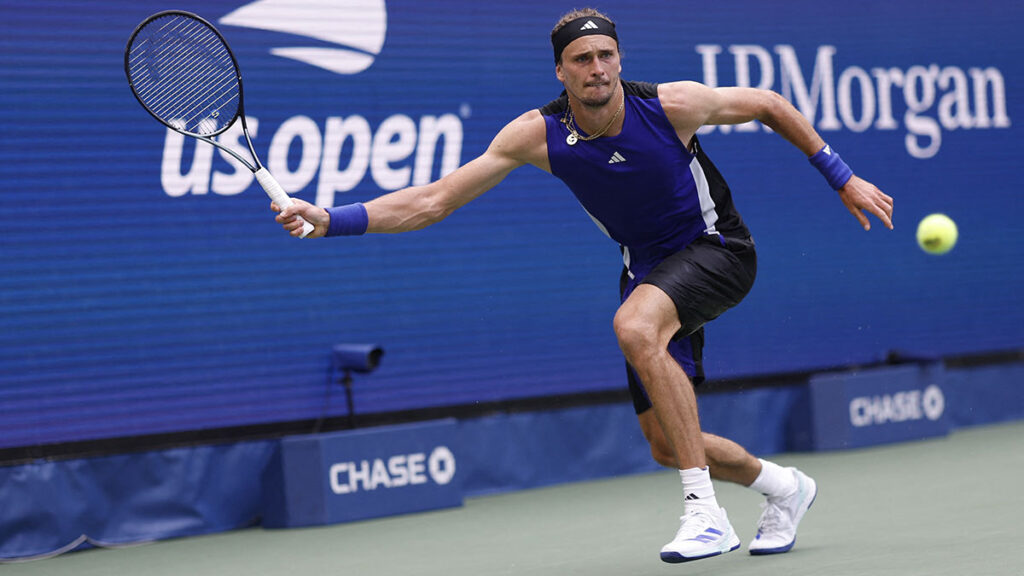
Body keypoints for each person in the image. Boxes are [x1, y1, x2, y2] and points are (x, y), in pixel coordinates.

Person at [274, 8, 894, 564]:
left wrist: (841, 178)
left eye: (606, 56)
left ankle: (705, 514)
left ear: (619, 61)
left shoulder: (670, 105)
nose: (597, 69)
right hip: (648, 270)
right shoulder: (536, 135)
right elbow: (434, 201)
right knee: (664, 443)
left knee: (633, 325)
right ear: (561, 72)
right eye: (582, 59)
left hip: (718, 250)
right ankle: (783, 488)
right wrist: (331, 221)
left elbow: (767, 102)